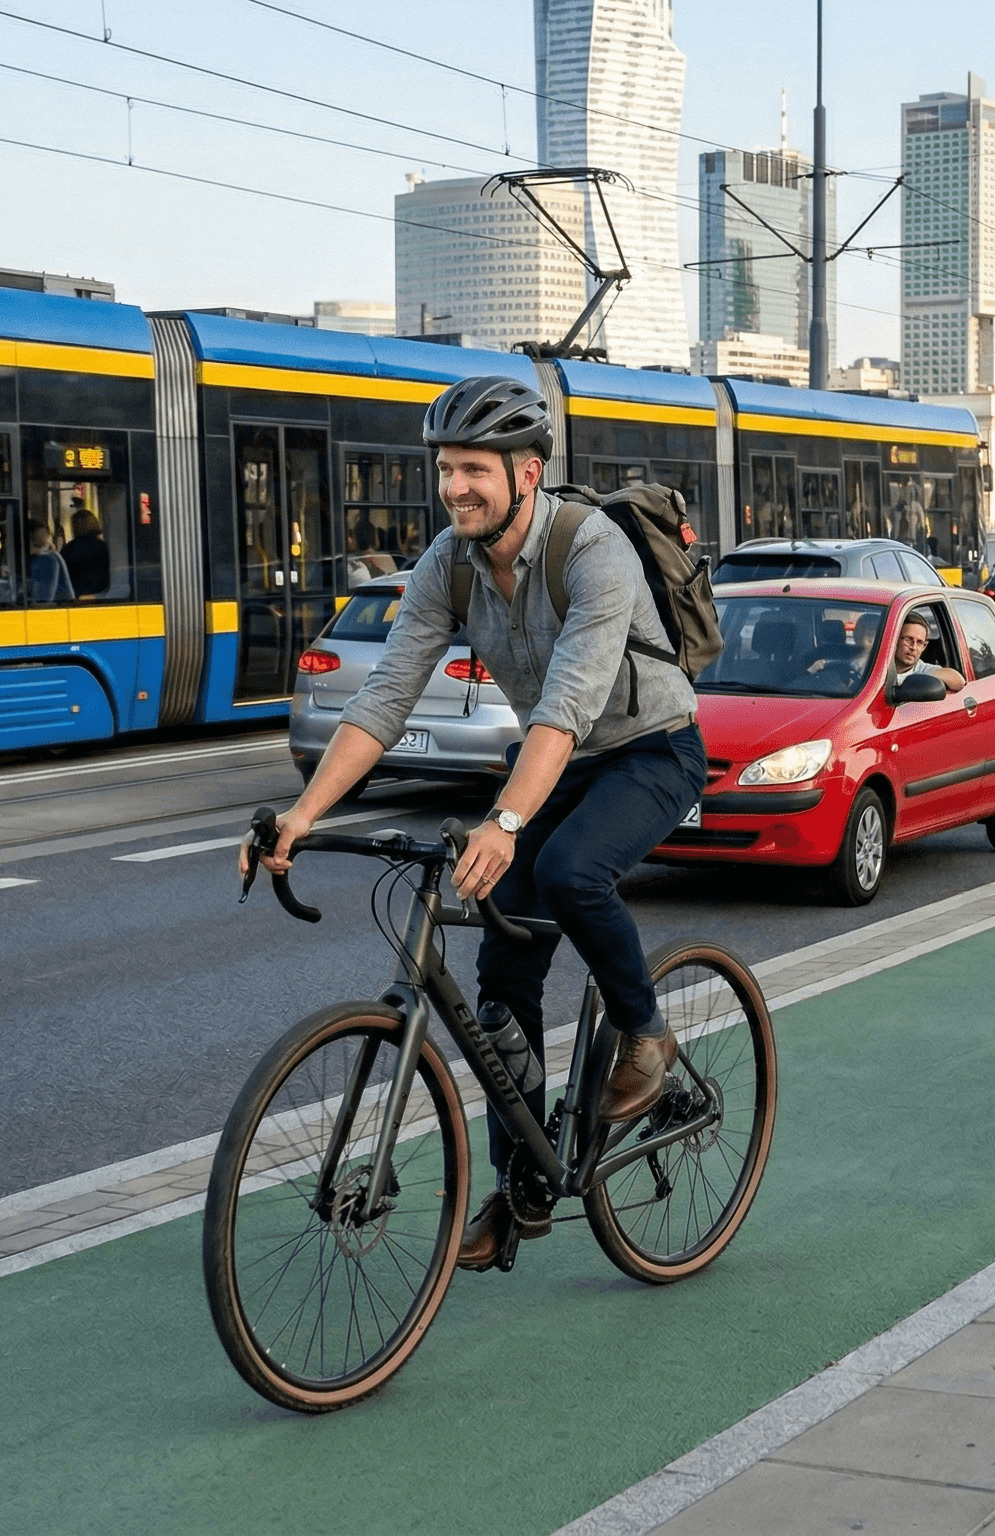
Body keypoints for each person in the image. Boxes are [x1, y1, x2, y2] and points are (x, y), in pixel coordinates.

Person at [245, 375, 705, 1272]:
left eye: (475, 470)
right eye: (447, 469)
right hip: (555, 760)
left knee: (569, 872)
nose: (455, 487)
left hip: (649, 748)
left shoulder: (592, 548)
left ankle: (646, 1032)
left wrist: (504, 821)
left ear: (526, 473)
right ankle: (519, 1186)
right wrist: (302, 814)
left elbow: (566, 706)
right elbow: (385, 697)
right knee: (501, 979)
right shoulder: (448, 564)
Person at [889, 614, 965, 695]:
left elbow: (959, 681)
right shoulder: (881, 665)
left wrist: (923, 680)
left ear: (924, 646)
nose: (913, 647)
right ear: (895, 640)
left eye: (919, 642)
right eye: (908, 639)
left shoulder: (922, 669)